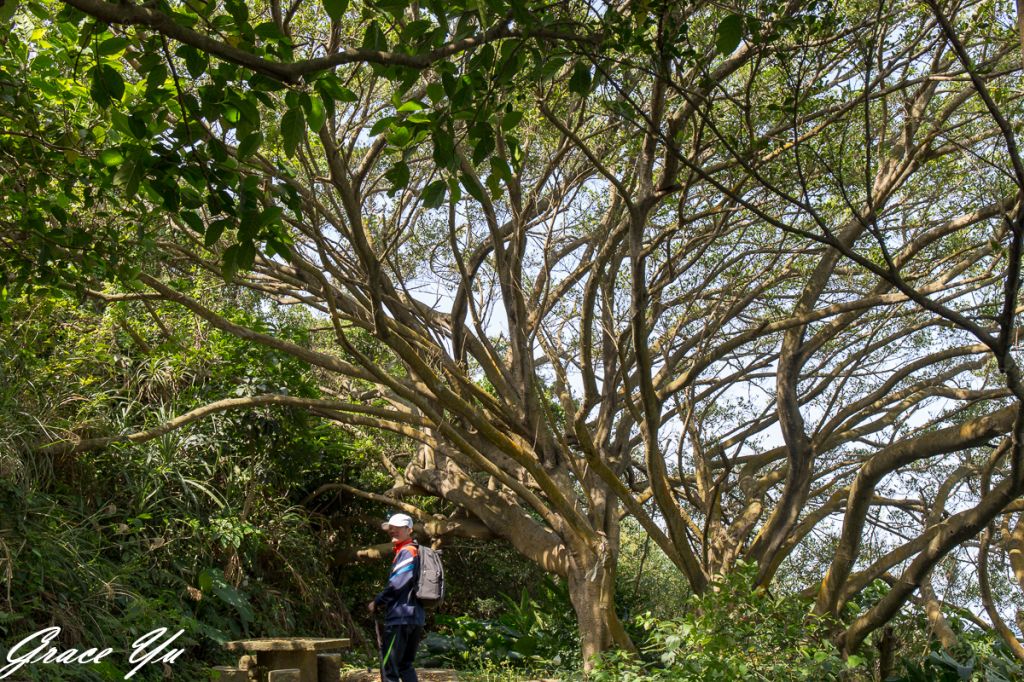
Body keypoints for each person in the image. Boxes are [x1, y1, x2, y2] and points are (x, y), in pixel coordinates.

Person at [368, 513, 425, 682]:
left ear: (409, 530)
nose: (392, 531)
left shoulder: (408, 552)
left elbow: (398, 583)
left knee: (390, 668)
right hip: (415, 618)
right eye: (390, 528)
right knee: (405, 666)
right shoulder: (416, 552)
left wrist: (377, 601)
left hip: (400, 618)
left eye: (397, 527)